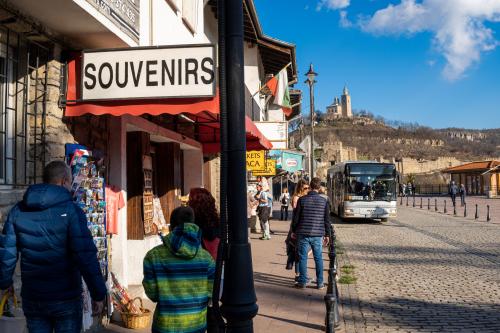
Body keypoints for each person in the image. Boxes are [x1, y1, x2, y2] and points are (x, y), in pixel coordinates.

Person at [0, 160, 107, 333]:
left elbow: (7, 253)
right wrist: (98, 294)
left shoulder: (18, 211)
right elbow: (85, 256)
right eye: (70, 181)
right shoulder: (72, 212)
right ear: (64, 180)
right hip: (66, 299)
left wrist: (5, 282)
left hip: (34, 298)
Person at [143, 206, 215, 333]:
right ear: (193, 225)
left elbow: (152, 294)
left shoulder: (153, 256)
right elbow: (211, 293)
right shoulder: (206, 258)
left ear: (171, 227)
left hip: (165, 326)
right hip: (196, 325)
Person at [291, 177, 332, 290]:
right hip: (318, 234)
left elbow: (296, 218)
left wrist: (294, 231)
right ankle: (320, 283)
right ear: (319, 188)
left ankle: (303, 282)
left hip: (303, 233)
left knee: (303, 257)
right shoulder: (324, 201)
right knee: (318, 258)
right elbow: (326, 220)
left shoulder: (302, 200)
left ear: (310, 186)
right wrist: (327, 235)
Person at [188, 188, 220, 260]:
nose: (187, 202)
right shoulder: (217, 222)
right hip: (217, 265)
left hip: (201, 265)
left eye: (189, 200)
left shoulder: (193, 225)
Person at [285, 179, 309, 274]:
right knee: (297, 250)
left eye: (308, 188)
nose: (307, 189)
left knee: (301, 251)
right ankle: (298, 274)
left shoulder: (305, 197)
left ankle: (300, 274)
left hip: (303, 225)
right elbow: (297, 214)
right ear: (300, 188)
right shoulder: (296, 198)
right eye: (305, 188)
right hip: (297, 226)